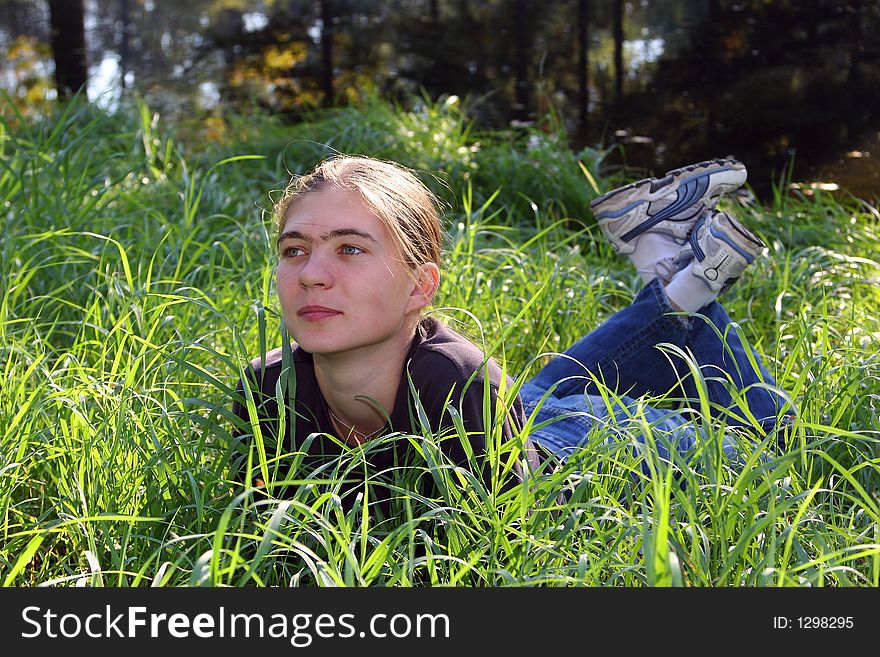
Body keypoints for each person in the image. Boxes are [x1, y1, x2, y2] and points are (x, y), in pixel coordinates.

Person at [232, 155, 794, 514]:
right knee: (531, 399)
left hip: (594, 448)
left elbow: (471, 558)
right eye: (294, 249)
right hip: (516, 416)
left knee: (775, 454)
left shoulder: (455, 381)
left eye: (350, 248)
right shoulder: (268, 389)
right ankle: (674, 275)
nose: (311, 274)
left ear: (419, 288)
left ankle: (683, 283)